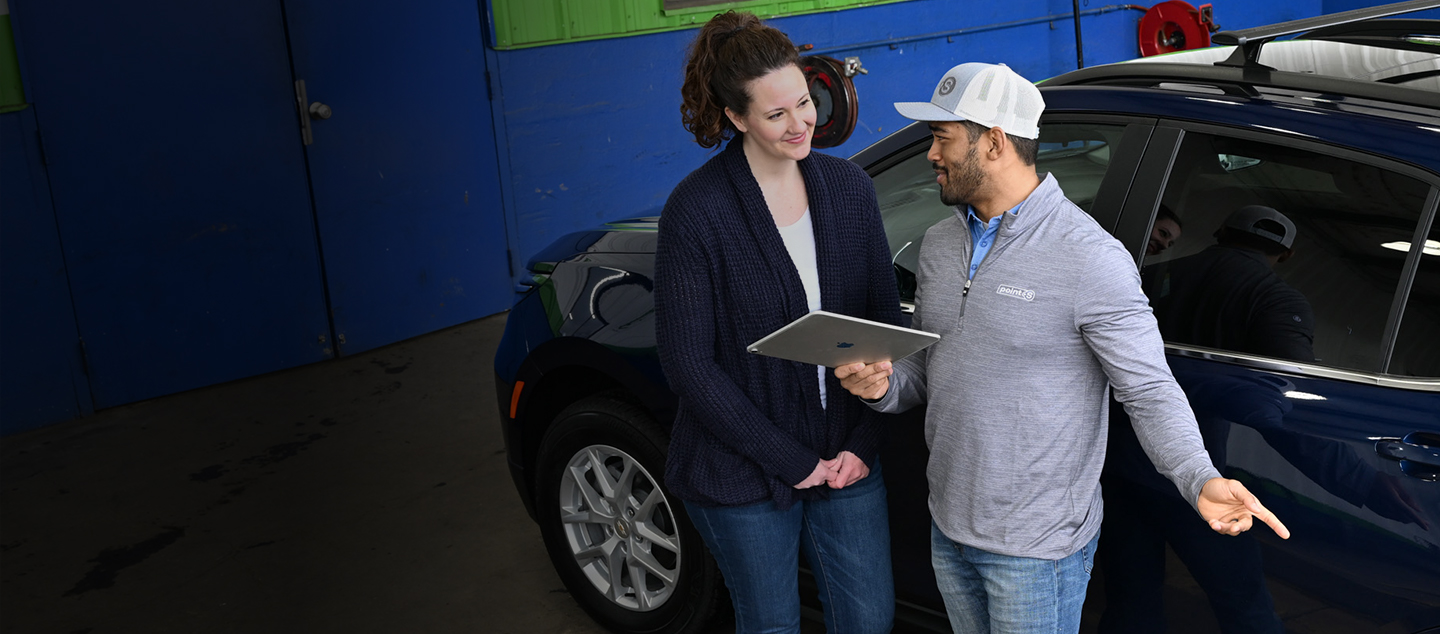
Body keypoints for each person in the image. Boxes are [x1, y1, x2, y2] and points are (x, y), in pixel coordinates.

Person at [834, 62, 1289, 634]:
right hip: (948, 525)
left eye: (942, 137)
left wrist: (1198, 476)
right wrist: (882, 385)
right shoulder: (940, 244)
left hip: (1035, 549)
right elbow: (932, 365)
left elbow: (1148, 388)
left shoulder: (1089, 258)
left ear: (993, 142)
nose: (931, 154)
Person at [652, 11, 901, 634]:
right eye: (776, 114)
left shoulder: (848, 188)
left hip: (846, 455)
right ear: (736, 118)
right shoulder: (697, 211)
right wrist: (787, 458)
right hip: (740, 466)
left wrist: (861, 444)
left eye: (804, 102)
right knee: (771, 625)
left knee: (870, 620)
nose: (800, 123)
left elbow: (882, 322)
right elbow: (688, 363)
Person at [1099, 205, 1426, 633]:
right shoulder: (1275, 299)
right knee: (1244, 606)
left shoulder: (1148, 277)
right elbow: (1283, 412)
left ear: (1220, 231)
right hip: (1200, 478)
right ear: (1287, 255)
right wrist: (1361, 481)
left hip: (1118, 466)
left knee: (1130, 599)